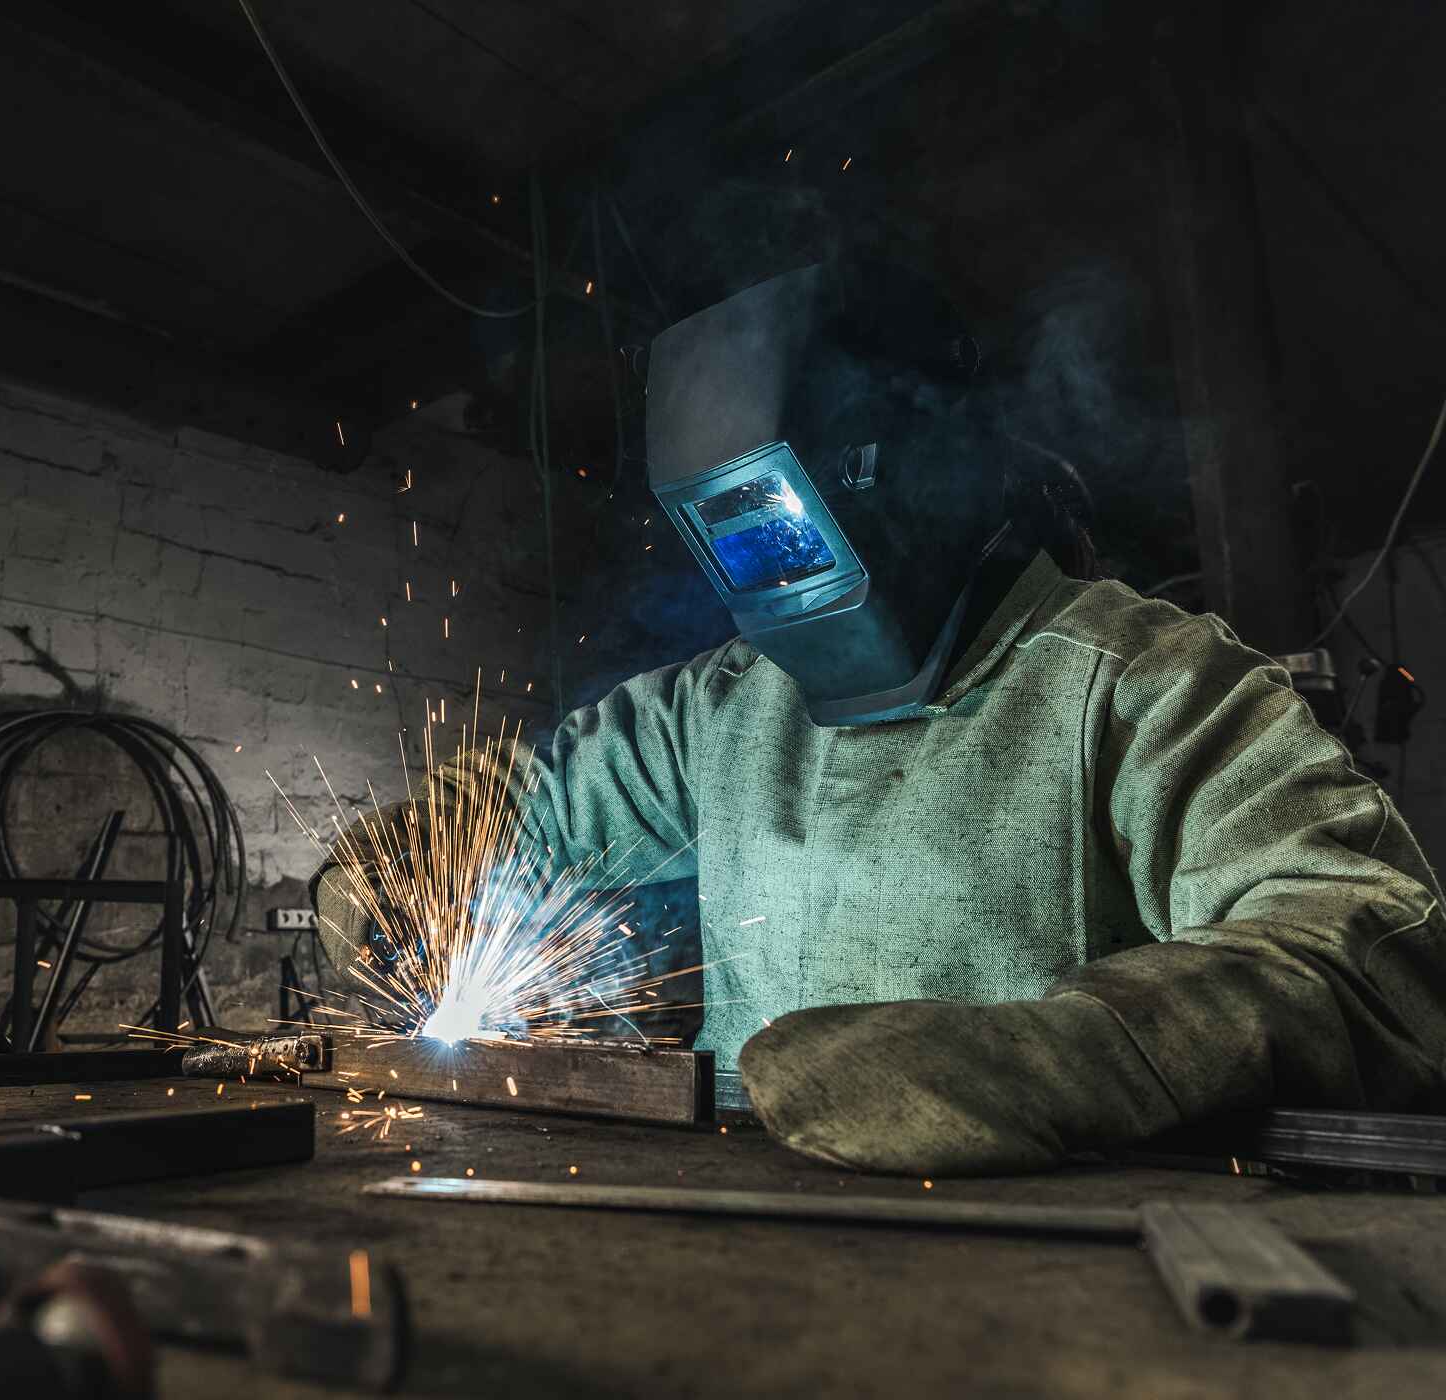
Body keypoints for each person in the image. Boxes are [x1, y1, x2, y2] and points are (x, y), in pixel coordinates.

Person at [316, 256, 1446, 1176]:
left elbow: (1368, 948)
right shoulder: (716, 710)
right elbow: (529, 809)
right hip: (740, 1231)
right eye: (730, 537)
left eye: (780, 523)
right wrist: (403, 866)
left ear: (905, 474)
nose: (767, 579)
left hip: (1068, 1267)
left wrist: (1064, 1056)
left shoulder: (1140, 684)